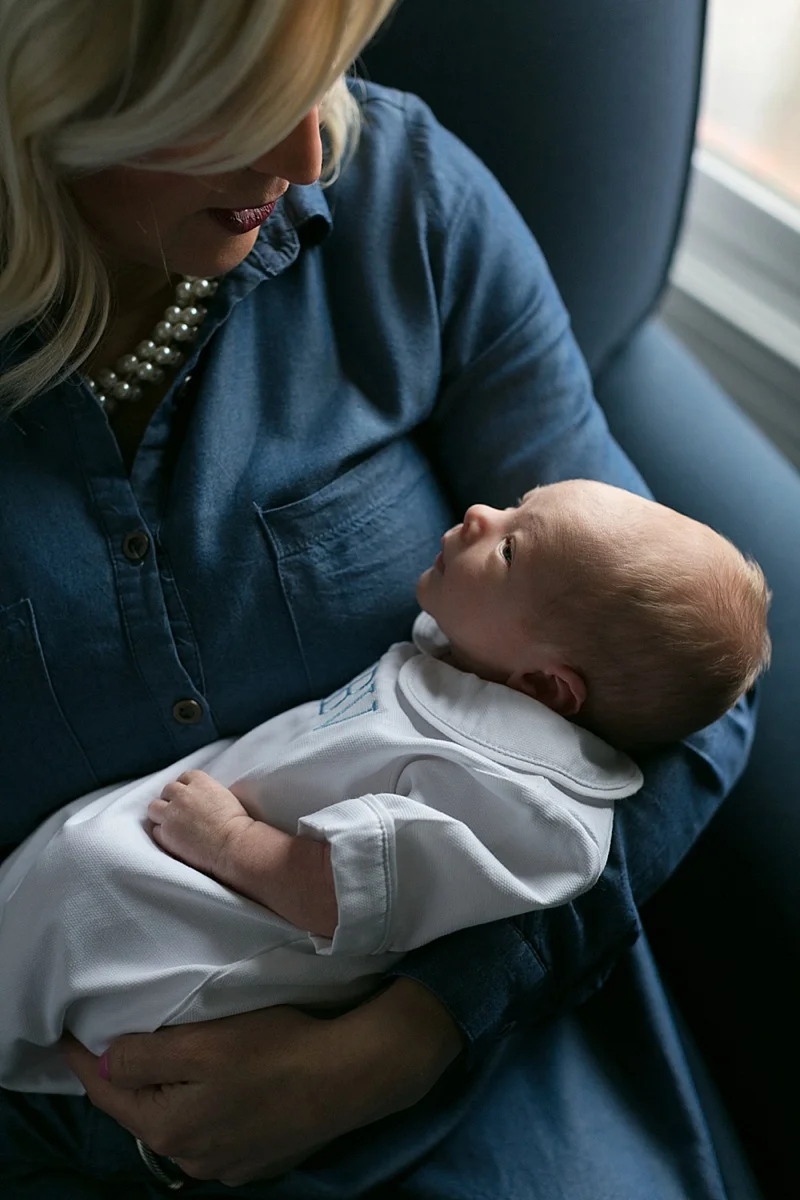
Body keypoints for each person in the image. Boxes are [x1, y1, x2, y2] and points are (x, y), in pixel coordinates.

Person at [0, 1, 768, 1196]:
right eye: (243, 105)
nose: (309, 157)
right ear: (56, 84)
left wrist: (397, 1045)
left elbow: (688, 682)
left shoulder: (406, 203)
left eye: (320, 76)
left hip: (467, 1080)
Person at [0, 478, 770, 1099]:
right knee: (65, 871)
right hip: (198, 846)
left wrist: (230, 841)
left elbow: (342, 893)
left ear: (545, 686)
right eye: (515, 505)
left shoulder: (515, 797)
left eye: (510, 548)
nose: (480, 513)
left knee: (82, 888)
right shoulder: (481, 663)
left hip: (231, 933)